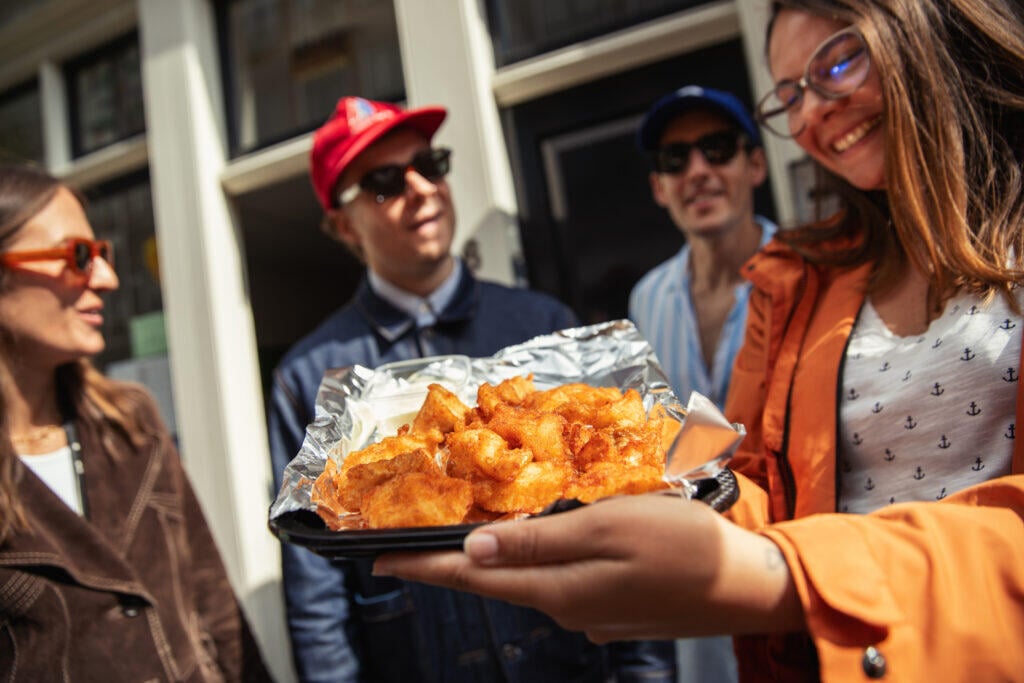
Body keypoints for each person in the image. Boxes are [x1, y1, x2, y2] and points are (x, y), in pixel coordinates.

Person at [372, 0, 1024, 680]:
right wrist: (631, 496)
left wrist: (772, 569)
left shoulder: (782, 271)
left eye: (837, 60)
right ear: (657, 187)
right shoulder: (788, 282)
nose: (811, 112)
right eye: (791, 94)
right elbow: (741, 458)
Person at [267, 96, 677, 682]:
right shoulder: (309, 375)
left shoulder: (543, 324)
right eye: (383, 183)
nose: (422, 189)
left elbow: (627, 527)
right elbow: (315, 593)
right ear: (342, 224)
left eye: (430, 165)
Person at [0, 164, 272, 681]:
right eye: (77, 257)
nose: (107, 278)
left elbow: (211, 597)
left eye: (100, 255)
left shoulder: (130, 419)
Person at [631, 85, 776, 410]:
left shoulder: (811, 273)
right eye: (675, 158)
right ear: (659, 187)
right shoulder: (646, 298)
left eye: (717, 148)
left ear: (756, 165)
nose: (697, 171)